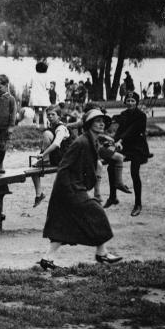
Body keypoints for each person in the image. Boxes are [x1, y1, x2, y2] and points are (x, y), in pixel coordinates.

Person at [39, 109, 123, 269]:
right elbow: (64, 167)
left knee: (62, 225)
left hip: (71, 188)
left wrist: (114, 145)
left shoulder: (93, 141)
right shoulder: (81, 142)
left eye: (103, 121)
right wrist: (70, 191)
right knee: (97, 212)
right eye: (97, 121)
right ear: (89, 124)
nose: (101, 123)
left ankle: (47, 259)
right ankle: (101, 253)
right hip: (69, 188)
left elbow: (108, 154)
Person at [111, 92, 151, 217]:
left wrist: (121, 140)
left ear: (137, 102)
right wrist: (115, 141)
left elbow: (132, 130)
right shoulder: (123, 114)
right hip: (126, 146)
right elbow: (120, 130)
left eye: (133, 101)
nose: (130, 103)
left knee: (135, 172)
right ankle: (113, 196)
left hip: (138, 147)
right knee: (111, 164)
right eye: (128, 100)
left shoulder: (141, 116)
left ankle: (137, 204)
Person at [33, 108, 70, 207]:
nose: (50, 117)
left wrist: (43, 154)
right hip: (56, 156)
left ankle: (46, 161)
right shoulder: (51, 126)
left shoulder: (61, 128)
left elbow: (56, 144)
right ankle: (39, 194)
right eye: (48, 115)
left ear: (59, 116)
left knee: (46, 133)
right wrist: (41, 153)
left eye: (53, 114)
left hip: (63, 157)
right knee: (33, 169)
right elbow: (46, 144)